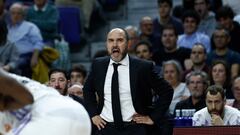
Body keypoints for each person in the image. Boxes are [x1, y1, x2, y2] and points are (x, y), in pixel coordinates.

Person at [83, 28, 173, 135]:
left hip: (135, 129)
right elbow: (87, 90)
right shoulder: (98, 65)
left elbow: (166, 91)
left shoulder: (143, 67)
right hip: (105, 128)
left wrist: (153, 117)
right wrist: (93, 114)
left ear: (128, 44)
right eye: (111, 40)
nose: (115, 45)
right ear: (106, 44)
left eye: (120, 40)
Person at [0, 69, 91, 135]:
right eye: (53, 80)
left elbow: (27, 98)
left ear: (68, 82)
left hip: (54, 117)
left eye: (61, 80)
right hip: (78, 117)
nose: (57, 84)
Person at [8, 3, 44, 78]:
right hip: (9, 57)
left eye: (18, 13)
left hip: (25, 57)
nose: (16, 15)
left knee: (15, 64)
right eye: (13, 13)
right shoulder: (7, 28)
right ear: (10, 15)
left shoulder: (30, 26)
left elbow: (39, 43)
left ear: (23, 15)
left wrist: (35, 57)